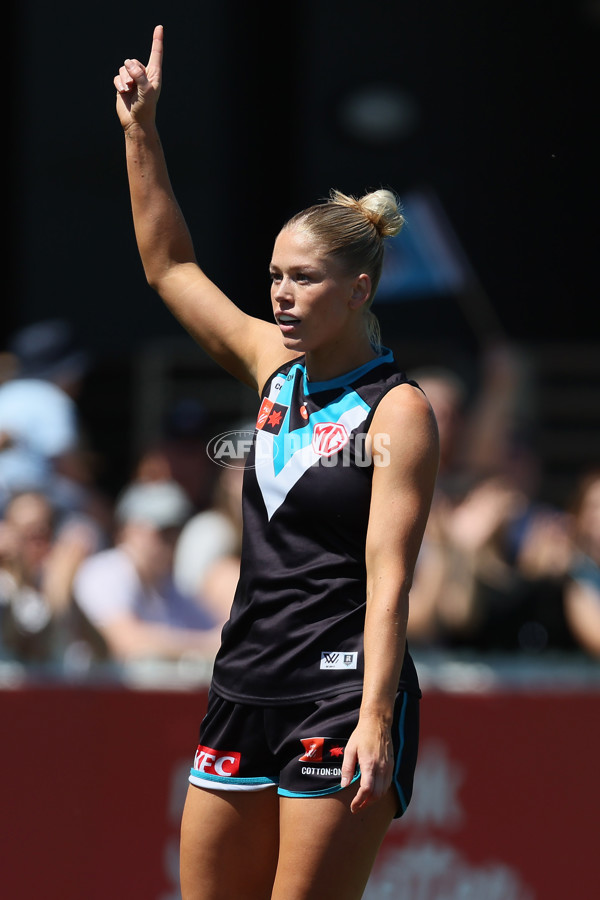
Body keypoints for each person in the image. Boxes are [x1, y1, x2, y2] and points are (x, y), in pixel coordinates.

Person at [114, 25, 439, 900]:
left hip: (339, 695)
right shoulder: (270, 365)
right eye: (274, 277)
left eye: (304, 279)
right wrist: (141, 132)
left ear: (359, 289)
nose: (282, 297)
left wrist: (375, 716)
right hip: (245, 681)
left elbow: (390, 577)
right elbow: (170, 265)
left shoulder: (398, 410)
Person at [72, 479, 223, 663]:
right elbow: (126, 642)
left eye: (176, 532)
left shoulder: (169, 586)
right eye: (162, 532)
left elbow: (217, 634)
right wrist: (205, 645)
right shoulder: (105, 571)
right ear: (128, 530)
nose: (170, 542)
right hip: (88, 690)